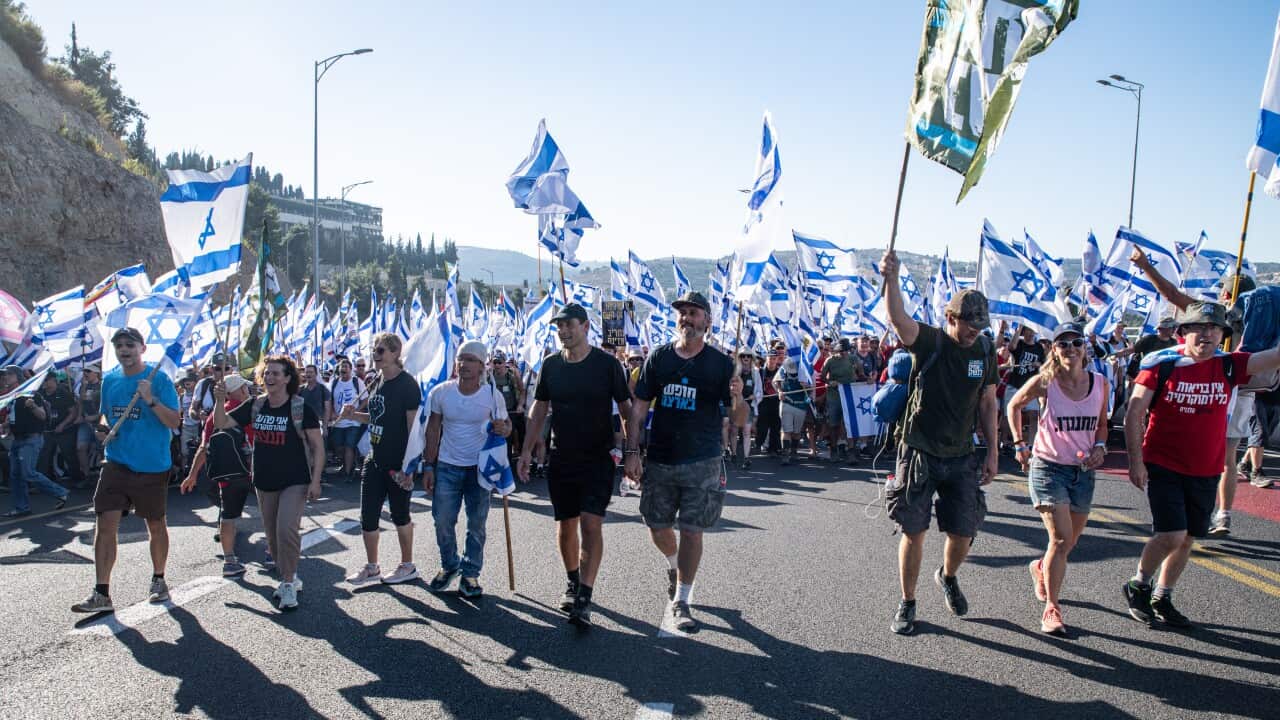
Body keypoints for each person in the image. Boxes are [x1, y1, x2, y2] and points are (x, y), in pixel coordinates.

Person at [1122, 301, 1280, 627]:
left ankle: (1162, 596)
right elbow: (1135, 413)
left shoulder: (1229, 365)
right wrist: (1136, 462)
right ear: (1184, 333)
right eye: (1198, 328)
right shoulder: (1161, 365)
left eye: (1214, 329)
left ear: (1222, 335)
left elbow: (1273, 357)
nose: (1206, 334)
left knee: (1190, 536)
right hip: (1163, 463)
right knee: (1171, 533)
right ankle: (1138, 585)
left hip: (1206, 468)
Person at [880, 252, 998, 636]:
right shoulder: (930, 341)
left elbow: (987, 400)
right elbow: (899, 320)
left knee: (964, 530)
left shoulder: (983, 350)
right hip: (918, 451)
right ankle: (908, 602)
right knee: (915, 530)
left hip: (961, 454)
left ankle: (947, 576)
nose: (973, 333)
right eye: (968, 326)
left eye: (980, 327)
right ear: (950, 318)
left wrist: (993, 450)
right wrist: (892, 278)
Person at [1128, 251, 1267, 537]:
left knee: (1219, 453)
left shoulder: (1211, 313)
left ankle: (1216, 514)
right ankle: (1224, 514)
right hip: (1240, 383)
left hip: (1224, 378)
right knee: (1227, 456)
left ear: (1227, 293)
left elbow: (1170, 293)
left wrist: (1144, 265)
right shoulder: (1263, 312)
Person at [625, 292, 738, 632]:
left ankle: (682, 600)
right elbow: (640, 407)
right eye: (683, 313)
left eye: (694, 313)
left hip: (702, 460)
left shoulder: (721, 364)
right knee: (657, 526)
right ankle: (674, 565)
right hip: (660, 458)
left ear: (707, 321)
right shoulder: (658, 357)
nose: (687, 318)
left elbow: (739, 415)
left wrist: (738, 394)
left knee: (692, 530)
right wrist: (632, 451)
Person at [518, 303, 633, 629]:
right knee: (566, 525)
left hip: (597, 458)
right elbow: (538, 410)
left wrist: (633, 450)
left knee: (590, 524)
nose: (563, 332)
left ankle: (584, 594)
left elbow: (626, 411)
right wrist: (527, 450)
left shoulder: (608, 365)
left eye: (569, 325)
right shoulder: (551, 365)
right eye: (559, 327)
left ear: (585, 326)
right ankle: (572, 581)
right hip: (562, 456)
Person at [1007, 322, 1109, 635]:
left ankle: (1040, 567)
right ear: (1054, 349)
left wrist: (1101, 447)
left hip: (1083, 472)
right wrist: (1019, 443)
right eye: (1063, 344)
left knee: (1069, 543)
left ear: (1085, 348)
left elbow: (1102, 424)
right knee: (1061, 540)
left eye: (1076, 343)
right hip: (1048, 467)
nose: (1070, 349)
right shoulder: (1045, 381)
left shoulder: (1100, 383)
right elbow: (1014, 405)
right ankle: (1052, 608)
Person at [71, 328, 182, 614]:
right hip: (116, 461)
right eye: (119, 345)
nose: (124, 349)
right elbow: (109, 417)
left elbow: (173, 421)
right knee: (105, 524)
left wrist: (150, 399)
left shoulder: (158, 380)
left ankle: (159, 579)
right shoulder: (110, 380)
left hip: (152, 464)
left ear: (142, 348)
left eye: (129, 344)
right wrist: (104, 431)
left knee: (155, 525)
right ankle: (101, 592)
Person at [214, 356, 323, 609]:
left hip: (295, 480)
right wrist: (220, 401)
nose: (270, 378)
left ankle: (287, 583)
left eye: (276, 373)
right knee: (273, 540)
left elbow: (318, 447)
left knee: (286, 529)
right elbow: (221, 423)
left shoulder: (300, 407)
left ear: (287, 378)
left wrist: (316, 481)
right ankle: (291, 576)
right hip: (264, 480)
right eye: (267, 373)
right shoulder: (256, 405)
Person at [422, 341, 511, 598]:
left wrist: (503, 429)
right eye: (461, 359)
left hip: (480, 469)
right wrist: (429, 465)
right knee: (442, 521)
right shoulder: (441, 392)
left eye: (471, 360)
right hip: (448, 466)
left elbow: (506, 427)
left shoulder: (492, 395)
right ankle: (450, 565)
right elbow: (432, 430)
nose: (464, 365)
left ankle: (470, 573)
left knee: (477, 525)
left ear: (482, 366)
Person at [340, 333, 422, 586]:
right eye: (375, 350)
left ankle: (407, 565)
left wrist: (409, 467)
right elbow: (375, 418)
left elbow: (413, 429)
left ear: (396, 353)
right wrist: (355, 416)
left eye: (381, 351)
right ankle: (372, 567)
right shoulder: (375, 381)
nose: (376, 355)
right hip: (374, 460)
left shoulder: (408, 385)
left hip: (397, 462)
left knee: (400, 515)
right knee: (368, 516)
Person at [180, 373, 253, 576]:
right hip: (251, 470)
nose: (247, 391)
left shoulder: (215, 416)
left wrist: (193, 474)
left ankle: (229, 560)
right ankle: (273, 554)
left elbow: (204, 447)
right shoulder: (248, 411)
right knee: (271, 511)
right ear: (233, 392)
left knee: (227, 515)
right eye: (243, 388)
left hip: (227, 473)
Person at [5, 373, 71, 518]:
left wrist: (33, 405)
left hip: (31, 439)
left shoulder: (31, 394)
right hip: (17, 440)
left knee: (28, 472)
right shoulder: (13, 397)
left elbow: (42, 415)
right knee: (16, 476)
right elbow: (13, 417)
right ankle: (22, 508)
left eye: (9, 375)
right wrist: (6, 425)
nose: (5, 377)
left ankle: (60, 492)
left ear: (18, 378)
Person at [37, 372, 82, 488]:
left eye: (48, 380)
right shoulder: (40, 394)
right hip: (48, 430)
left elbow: (73, 412)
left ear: (54, 380)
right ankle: (45, 480)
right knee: (45, 455)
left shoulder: (63, 393)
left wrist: (62, 425)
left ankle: (77, 479)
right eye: (44, 380)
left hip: (65, 430)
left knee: (69, 455)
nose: (46, 383)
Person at [1005, 326, 1045, 451]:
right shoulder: (1020, 344)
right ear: (1024, 332)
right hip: (1015, 383)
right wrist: (1019, 328)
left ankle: (1031, 443)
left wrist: (1039, 364)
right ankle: (1005, 441)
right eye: (1028, 330)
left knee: (1033, 414)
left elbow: (1045, 365)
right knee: (1008, 414)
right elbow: (1011, 348)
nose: (1031, 333)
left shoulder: (1039, 348)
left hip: (1031, 387)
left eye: (1033, 331)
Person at [820, 338, 859, 464]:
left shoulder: (853, 359)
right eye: (841, 351)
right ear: (837, 350)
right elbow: (822, 377)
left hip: (849, 394)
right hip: (834, 395)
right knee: (833, 424)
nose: (843, 353)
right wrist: (829, 382)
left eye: (846, 351)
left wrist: (868, 379)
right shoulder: (830, 360)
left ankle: (851, 452)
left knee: (849, 423)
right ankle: (833, 450)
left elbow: (861, 374)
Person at [328, 358, 366, 481]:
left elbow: (365, 399)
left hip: (353, 421)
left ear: (350, 369)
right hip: (338, 421)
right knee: (339, 447)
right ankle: (346, 465)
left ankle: (348, 473)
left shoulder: (357, 382)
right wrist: (332, 412)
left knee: (349, 446)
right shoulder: (333, 382)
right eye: (341, 367)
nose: (343, 369)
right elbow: (329, 400)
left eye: (346, 366)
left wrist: (356, 411)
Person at [773, 358, 812, 466]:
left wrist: (807, 386)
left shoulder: (806, 368)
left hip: (800, 405)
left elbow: (812, 388)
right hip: (787, 402)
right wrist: (780, 391)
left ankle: (794, 450)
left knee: (796, 432)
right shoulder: (783, 368)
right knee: (786, 430)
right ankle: (785, 453)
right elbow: (776, 381)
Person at [729, 350, 762, 469]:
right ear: (740, 358)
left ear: (751, 358)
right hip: (736, 405)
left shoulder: (755, 372)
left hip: (749, 406)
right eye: (743, 356)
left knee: (747, 431)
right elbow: (730, 387)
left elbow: (759, 390)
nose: (746, 358)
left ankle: (746, 458)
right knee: (734, 430)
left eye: (748, 356)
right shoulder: (735, 372)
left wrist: (755, 395)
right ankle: (733, 453)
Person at [491, 351, 525, 464]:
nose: (497, 365)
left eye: (499, 362)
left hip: (510, 412)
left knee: (508, 440)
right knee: (494, 439)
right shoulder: (488, 376)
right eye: (495, 362)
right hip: (494, 414)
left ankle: (507, 467)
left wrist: (520, 405)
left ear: (504, 363)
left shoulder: (512, 375)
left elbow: (522, 391)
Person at [75, 365, 103, 488]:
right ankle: (87, 476)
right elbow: (81, 401)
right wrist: (80, 415)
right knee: (81, 447)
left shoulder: (102, 386)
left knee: (102, 450)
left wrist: (96, 416)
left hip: (99, 422)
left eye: (88, 371)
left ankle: (104, 477)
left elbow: (107, 404)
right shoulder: (84, 385)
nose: (85, 373)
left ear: (96, 373)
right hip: (86, 422)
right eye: (84, 371)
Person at [299, 364, 333, 444]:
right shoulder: (300, 390)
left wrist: (324, 427)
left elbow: (327, 409)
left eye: (311, 372)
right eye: (307, 372)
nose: (308, 374)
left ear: (316, 374)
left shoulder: (323, 389)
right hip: (304, 426)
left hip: (318, 426)